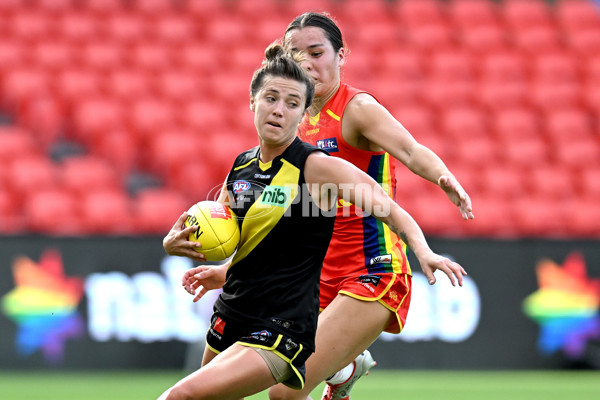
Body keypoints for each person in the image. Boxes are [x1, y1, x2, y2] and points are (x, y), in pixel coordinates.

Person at [159, 43, 466, 400]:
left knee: (195, 397)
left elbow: (388, 204)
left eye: (291, 104)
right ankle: (341, 368)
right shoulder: (242, 166)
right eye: (270, 98)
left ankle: (338, 365)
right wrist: (186, 249)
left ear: (303, 113)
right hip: (237, 305)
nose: (278, 110)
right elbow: (248, 236)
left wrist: (424, 250)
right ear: (252, 102)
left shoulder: (319, 164)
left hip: (297, 311)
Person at [264, 12, 475, 400]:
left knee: (283, 391)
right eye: (296, 54)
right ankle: (343, 370)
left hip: (373, 269)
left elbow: (411, 150)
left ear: (341, 55)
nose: (307, 62)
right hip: (318, 278)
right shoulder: (292, 118)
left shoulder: (355, 108)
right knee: (285, 390)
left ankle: (342, 369)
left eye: (317, 51)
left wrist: (443, 176)